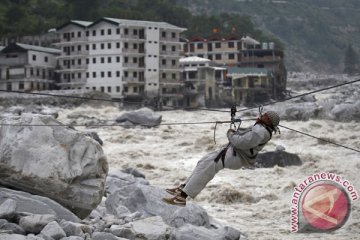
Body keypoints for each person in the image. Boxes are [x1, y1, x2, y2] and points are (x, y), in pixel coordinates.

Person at [162, 111, 280, 206]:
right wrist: (236, 132)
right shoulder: (261, 128)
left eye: (265, 115)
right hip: (233, 153)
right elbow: (246, 135)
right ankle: (183, 188)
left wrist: (230, 134)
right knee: (204, 162)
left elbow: (241, 142)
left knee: (208, 168)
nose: (262, 115)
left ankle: (182, 197)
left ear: (268, 120)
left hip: (236, 156)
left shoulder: (260, 131)